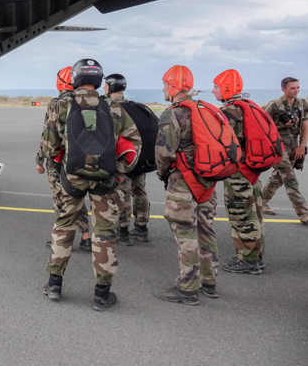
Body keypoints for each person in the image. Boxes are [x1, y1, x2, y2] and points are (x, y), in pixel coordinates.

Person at [42, 58, 141, 312]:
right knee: (105, 233)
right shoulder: (114, 107)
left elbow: (49, 147)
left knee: (64, 226)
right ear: (99, 80)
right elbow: (133, 145)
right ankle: (101, 293)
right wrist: (118, 171)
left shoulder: (60, 104)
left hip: (71, 178)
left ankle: (54, 284)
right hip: (105, 180)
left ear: (75, 79)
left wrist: (63, 164)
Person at [153, 65, 219, 305]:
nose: (162, 89)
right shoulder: (206, 108)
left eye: (164, 84)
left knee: (185, 234)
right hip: (207, 182)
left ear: (173, 87)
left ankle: (188, 288)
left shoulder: (174, 113)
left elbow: (163, 152)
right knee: (206, 229)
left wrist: (162, 174)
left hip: (183, 183)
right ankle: (210, 282)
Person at [212, 69, 265, 274]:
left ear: (226, 88)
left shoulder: (230, 112)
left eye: (216, 87)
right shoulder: (248, 106)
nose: (213, 90)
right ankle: (257, 256)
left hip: (238, 173)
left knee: (240, 214)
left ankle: (248, 260)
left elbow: (224, 144)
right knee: (255, 214)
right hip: (252, 170)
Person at [36, 66, 91, 251]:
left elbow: (48, 137)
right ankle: (86, 237)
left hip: (59, 162)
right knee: (77, 197)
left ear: (60, 82)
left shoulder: (57, 103)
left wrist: (41, 159)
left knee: (61, 200)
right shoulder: (86, 101)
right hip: (83, 160)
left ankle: (61, 241)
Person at [104, 73, 151, 246]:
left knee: (122, 193)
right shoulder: (136, 107)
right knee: (140, 191)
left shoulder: (111, 108)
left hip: (122, 160)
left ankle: (122, 230)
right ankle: (142, 227)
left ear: (109, 87)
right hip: (139, 159)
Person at [261, 77, 308, 224]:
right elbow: (262, 127)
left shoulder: (301, 104)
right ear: (284, 89)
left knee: (278, 178)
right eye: (292, 88)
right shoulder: (274, 105)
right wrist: (281, 126)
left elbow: (305, 125)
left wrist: (302, 146)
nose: (296, 91)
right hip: (278, 146)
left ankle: (261, 201)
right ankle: (304, 213)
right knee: (290, 179)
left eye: (298, 88)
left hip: (294, 145)